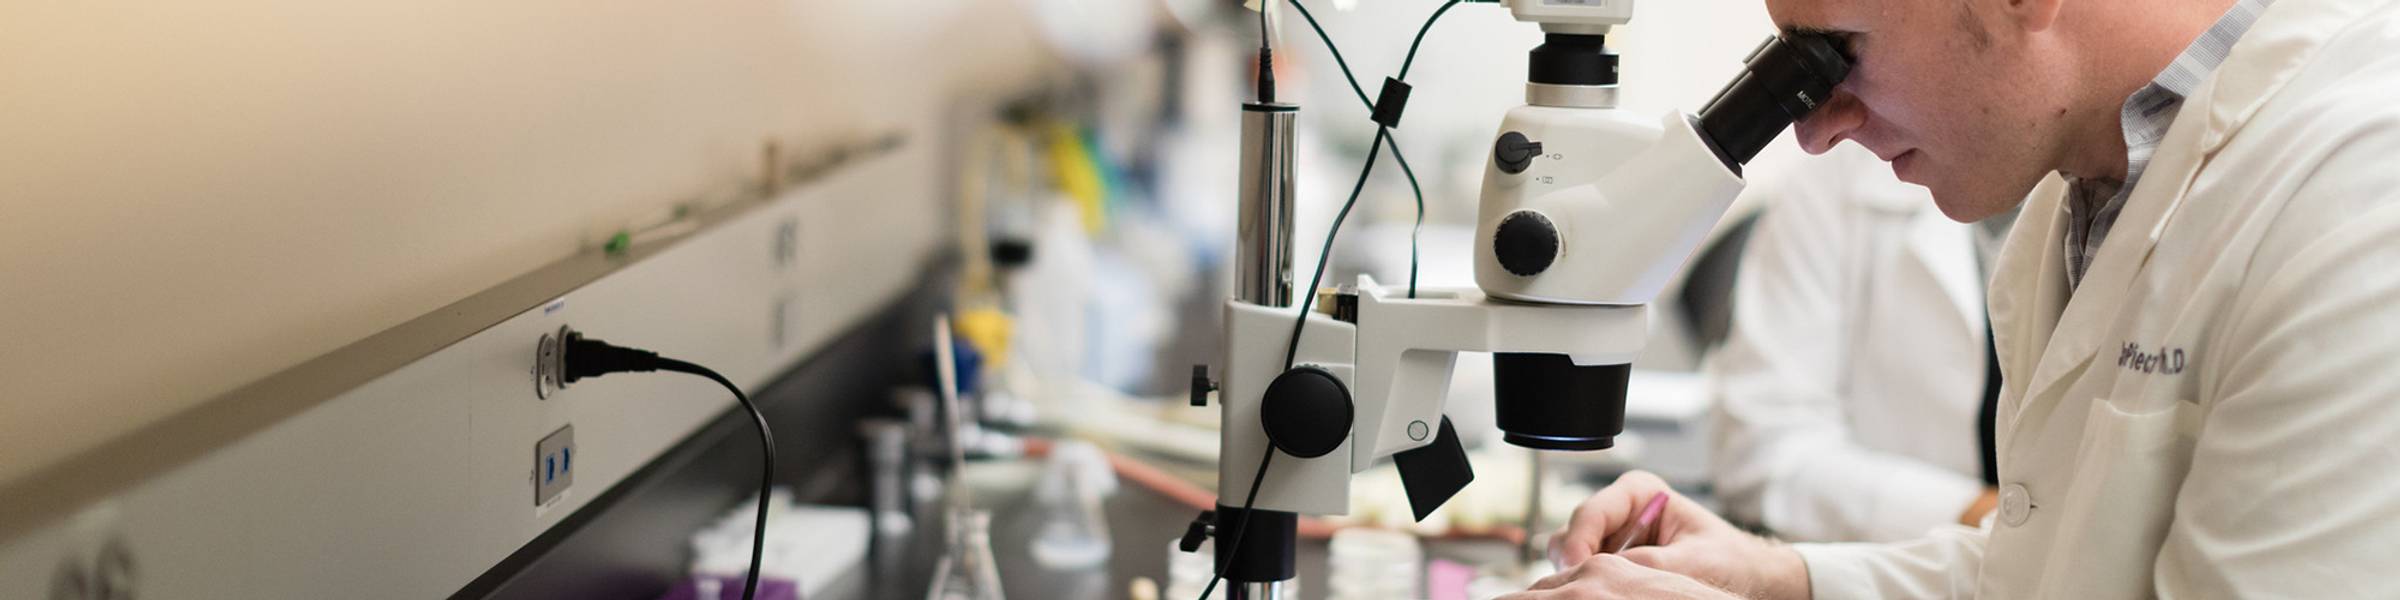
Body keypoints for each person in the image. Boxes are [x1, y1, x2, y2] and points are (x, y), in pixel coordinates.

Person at [1512, 0, 2400, 596]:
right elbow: (2053, 563)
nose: (1816, 130)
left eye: (1837, 55)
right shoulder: (2083, 184)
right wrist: (1782, 578)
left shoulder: (2358, 197)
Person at [1709, 142, 2015, 544]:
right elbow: (1764, 449)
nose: (1815, 133)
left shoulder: (2113, 206)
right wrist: (1982, 515)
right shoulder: (1834, 181)